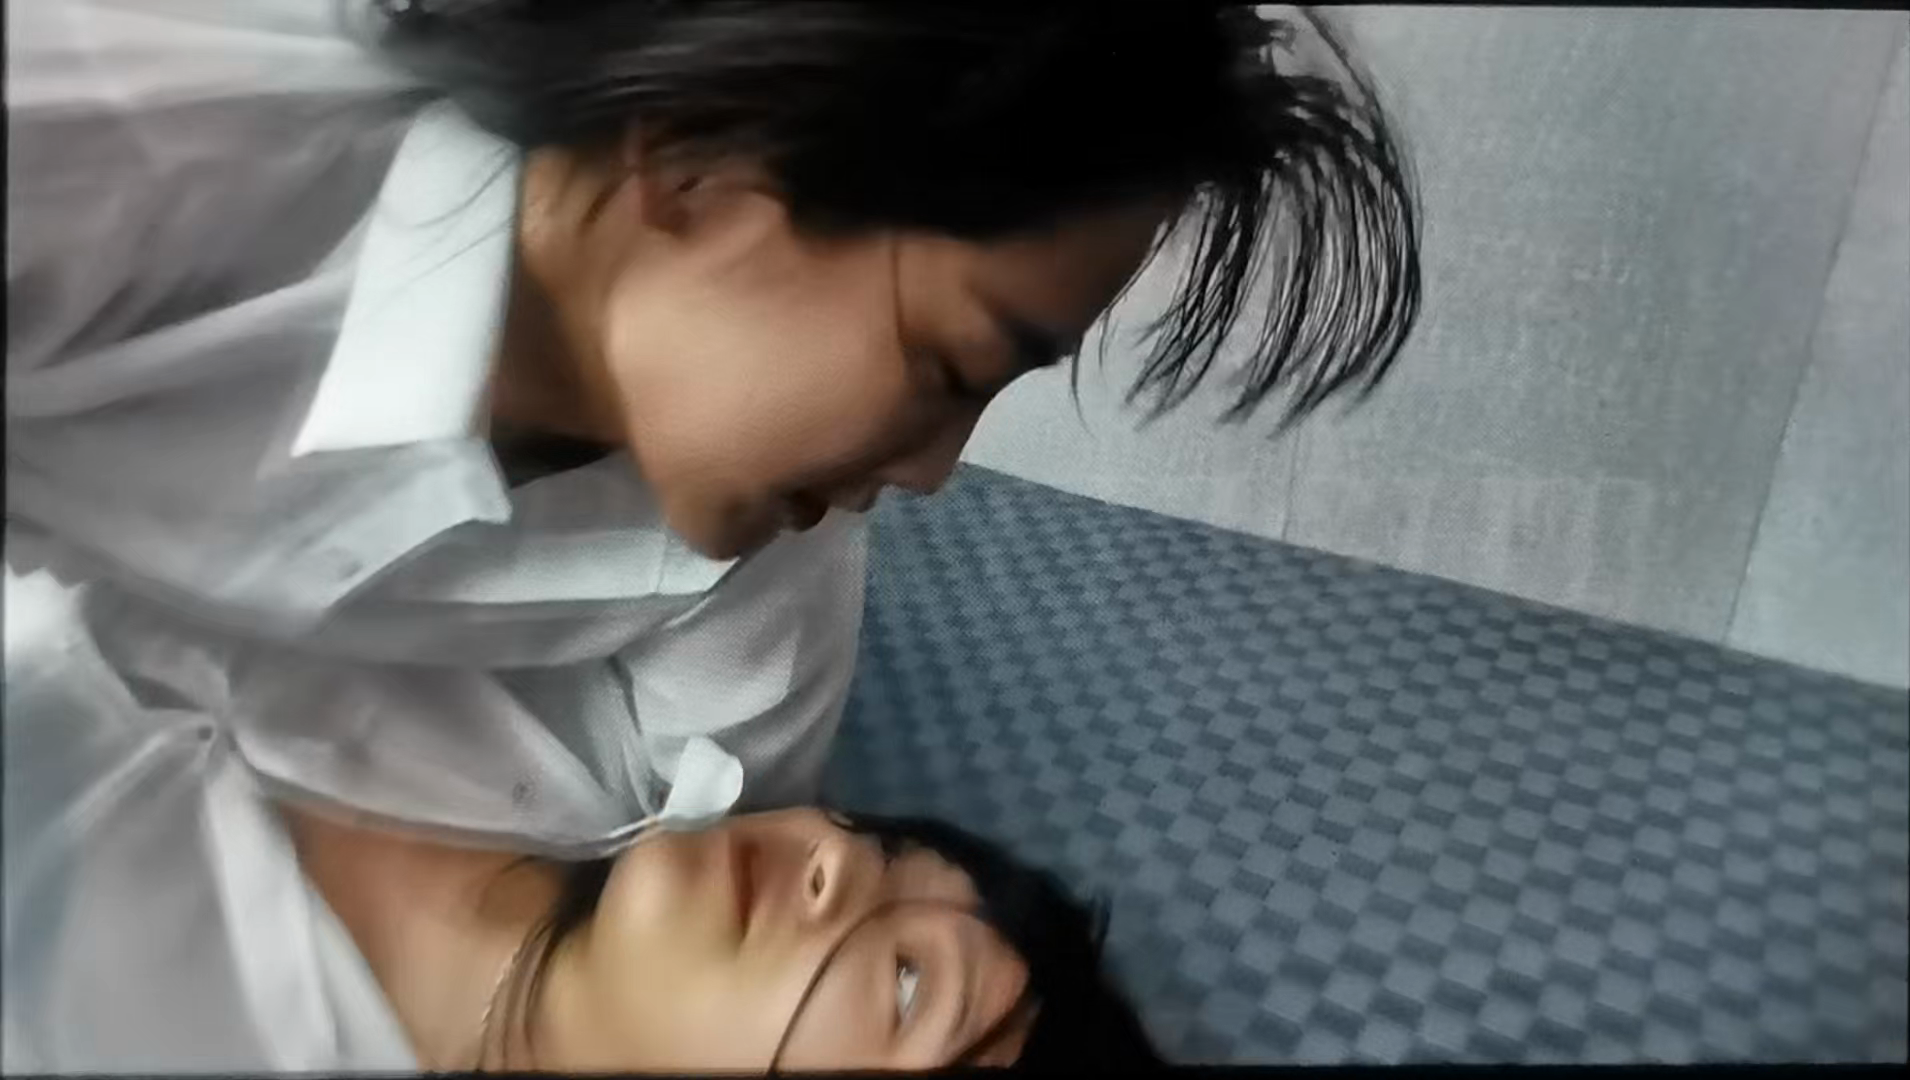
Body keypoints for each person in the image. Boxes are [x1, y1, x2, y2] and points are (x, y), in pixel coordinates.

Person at [5, 1, 1422, 835]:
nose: (935, 475)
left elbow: (676, 858)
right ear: (694, 158)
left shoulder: (759, 563)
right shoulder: (127, 124)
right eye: (948, 364)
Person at [2, 568, 1162, 1073]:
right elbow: (772, 485)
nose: (830, 853)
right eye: (883, 841)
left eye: (909, 986)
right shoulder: (649, 756)